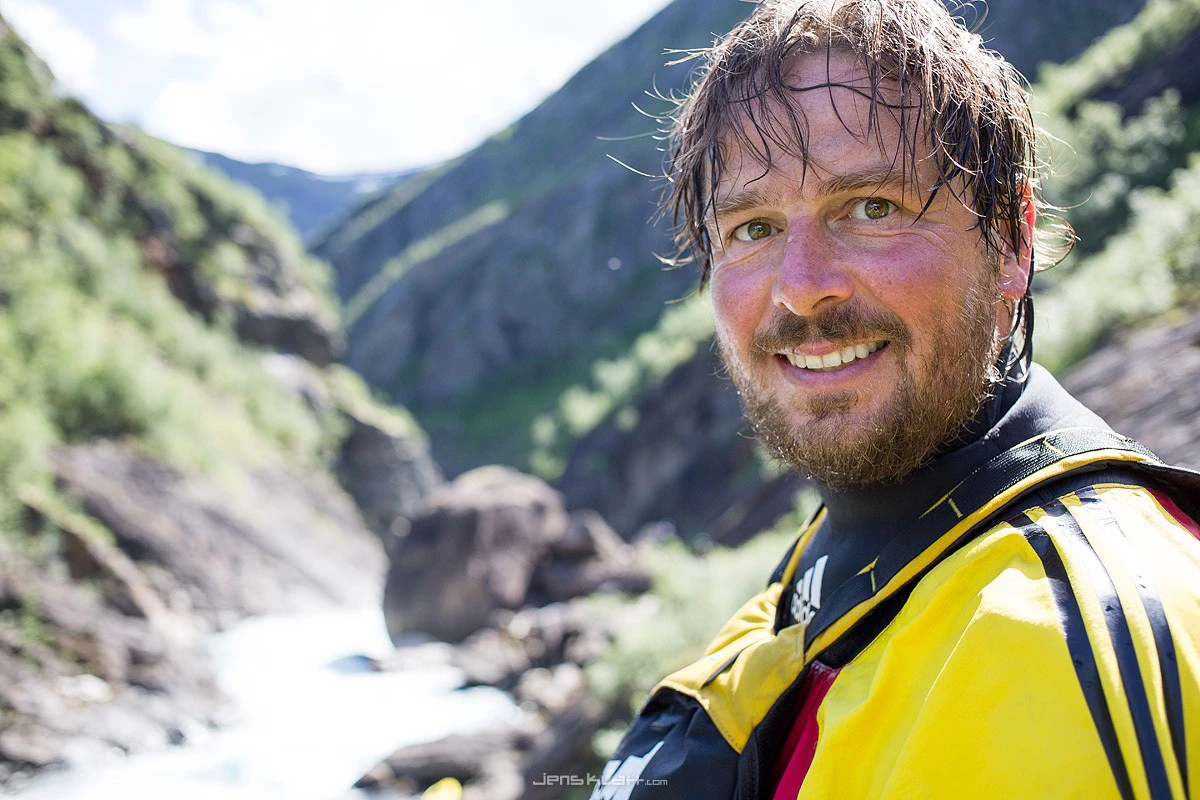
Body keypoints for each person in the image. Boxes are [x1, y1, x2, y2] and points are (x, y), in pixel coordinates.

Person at [592, 1, 1200, 798]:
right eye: (753, 228)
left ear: (1011, 239)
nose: (801, 288)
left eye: (872, 207)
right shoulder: (842, 567)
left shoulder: (1081, 642)